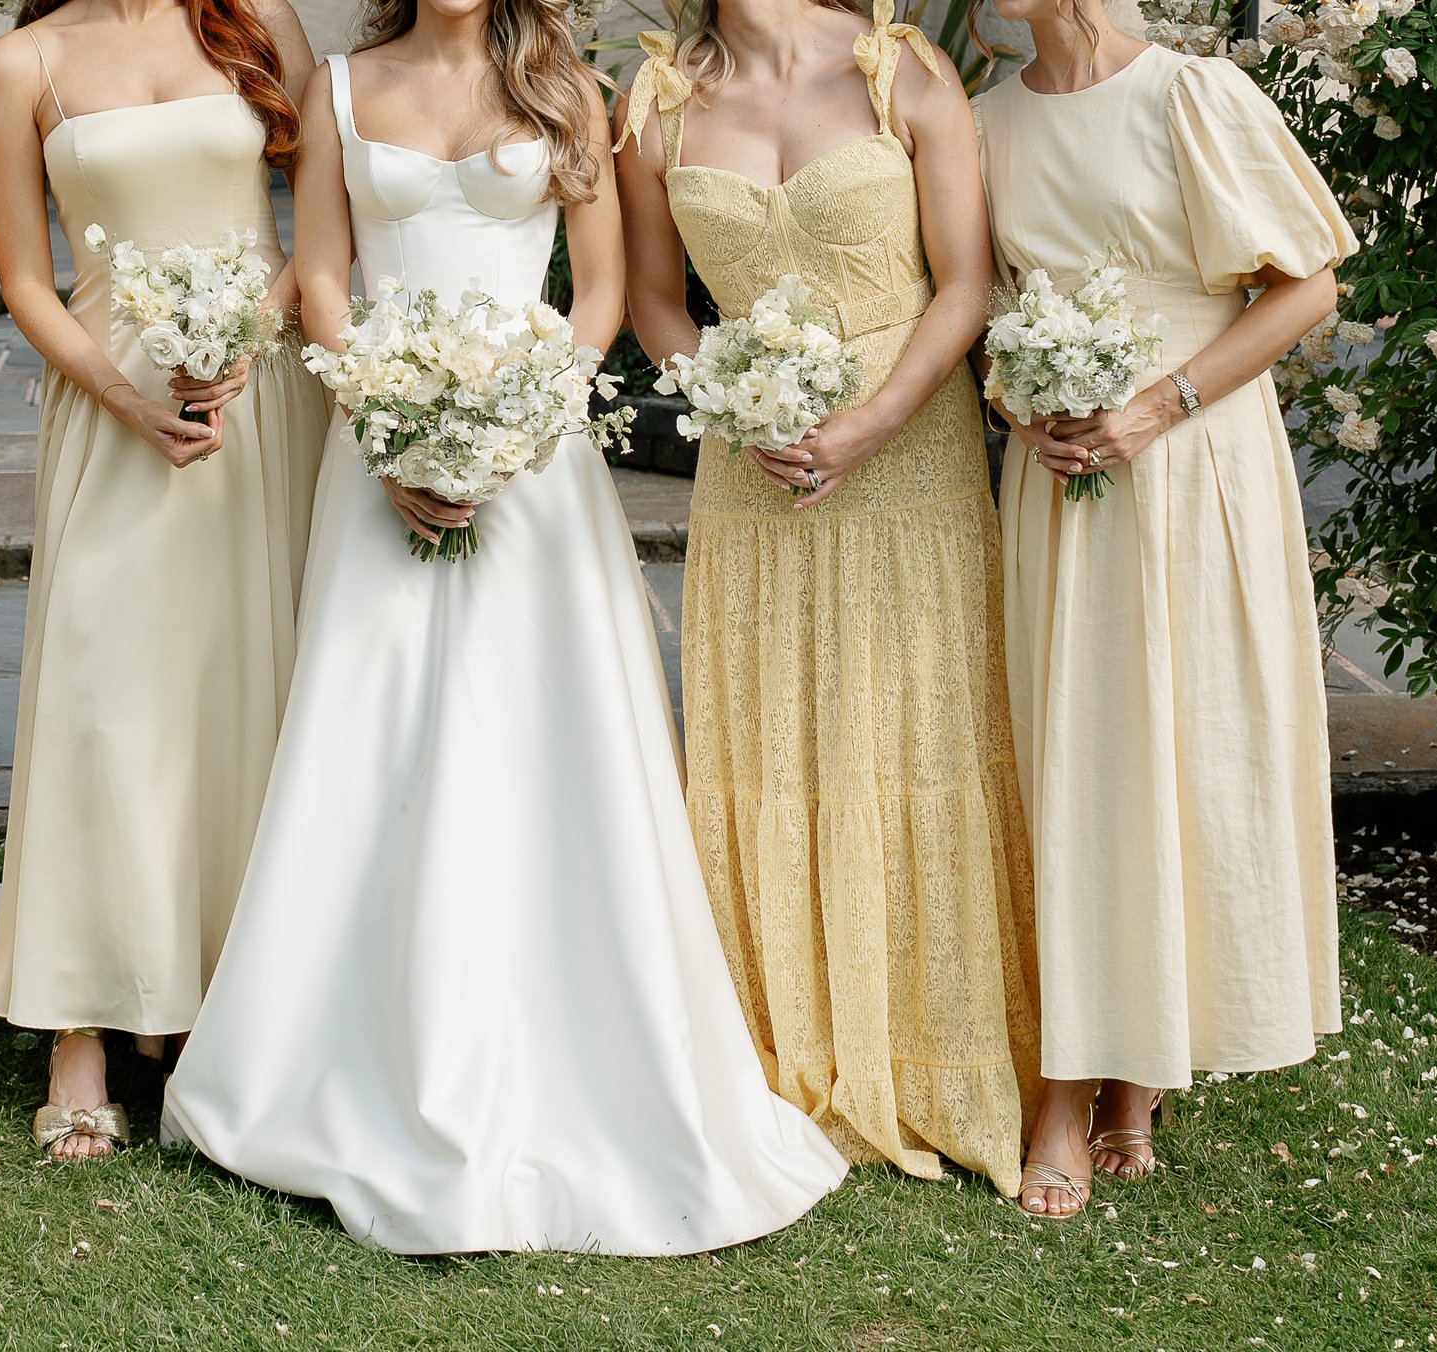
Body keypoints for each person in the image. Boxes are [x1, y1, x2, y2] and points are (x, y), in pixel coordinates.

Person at [160, 0, 849, 1255]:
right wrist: (384, 419)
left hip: (533, 461)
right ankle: (338, 1056)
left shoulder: (567, 90)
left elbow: (597, 294)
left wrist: (514, 419)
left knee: (539, 745)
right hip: (374, 453)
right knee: (372, 742)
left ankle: (572, 1045)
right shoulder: (344, 89)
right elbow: (322, 274)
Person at [616, 0, 1040, 1197]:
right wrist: (733, 401)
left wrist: (867, 424)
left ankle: (938, 1049)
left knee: (916, 730)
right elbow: (657, 303)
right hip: (751, 470)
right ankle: (780, 1041)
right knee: (770, 736)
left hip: (907, 450)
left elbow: (964, 284)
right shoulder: (651, 101)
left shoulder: (900, 69)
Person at [974, 0, 1354, 1218]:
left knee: (1185, 747)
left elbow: (1306, 289)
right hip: (1060, 481)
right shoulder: (983, 121)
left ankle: (1138, 1073)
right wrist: (1020, 403)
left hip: (1193, 462)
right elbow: (987, 312)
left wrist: (1155, 404)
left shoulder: (1192, 94)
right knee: (1072, 759)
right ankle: (1058, 1086)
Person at [0, 0, 328, 1161]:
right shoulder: (21, 60)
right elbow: (24, 278)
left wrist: (249, 335)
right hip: (111, 397)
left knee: (244, 689)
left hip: (258, 392)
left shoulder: (252, 20)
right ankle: (79, 1022)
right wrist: (128, 398)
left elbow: (317, 224)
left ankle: (210, 997)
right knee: (102, 696)